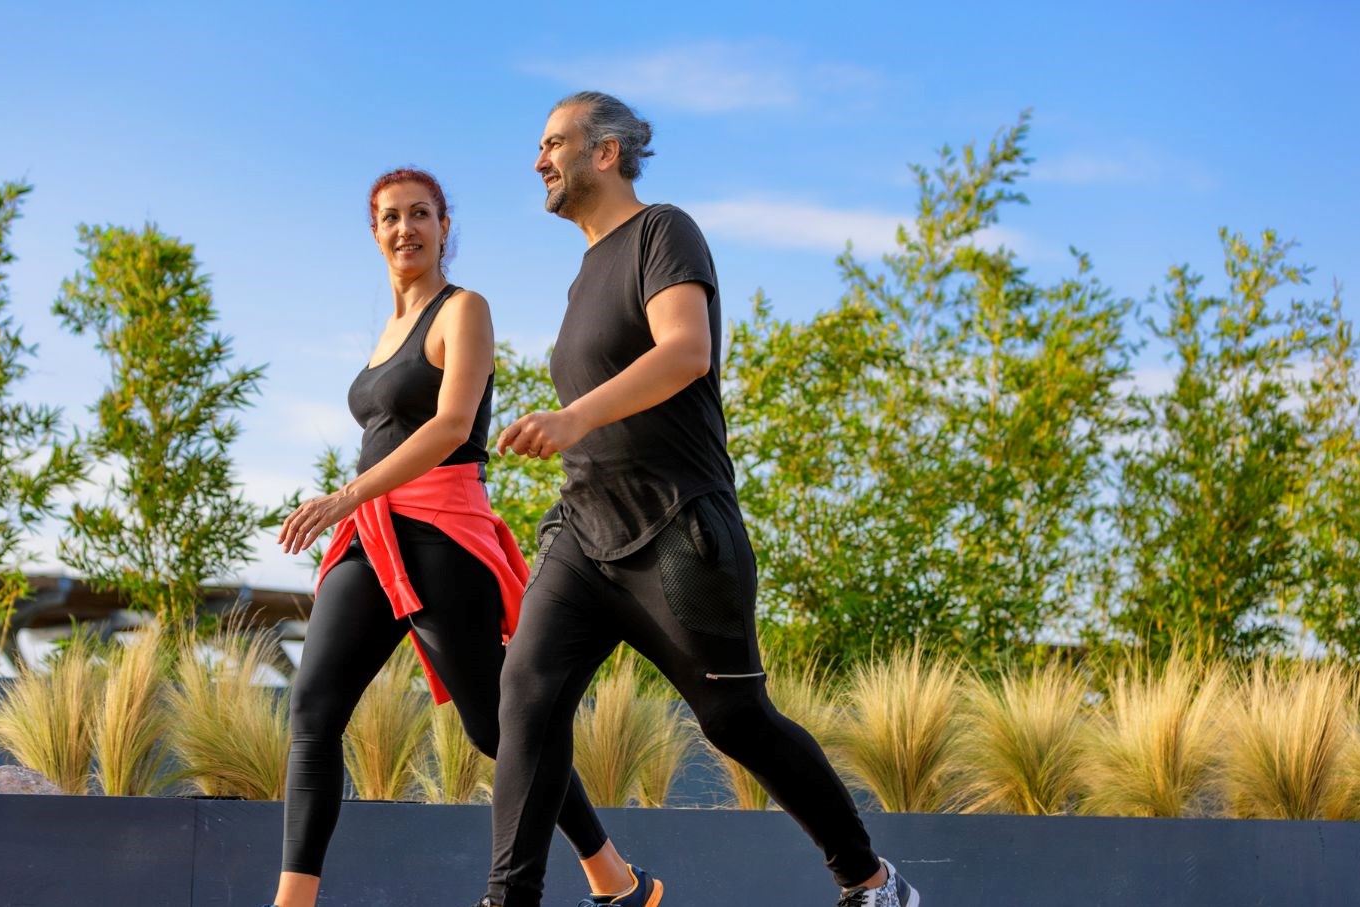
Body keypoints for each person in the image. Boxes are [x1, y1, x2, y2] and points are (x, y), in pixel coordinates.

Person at [472, 93, 920, 907]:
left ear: (605, 152)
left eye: (553, 143)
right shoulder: (584, 274)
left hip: (677, 530)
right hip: (583, 529)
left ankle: (871, 880)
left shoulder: (663, 232)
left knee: (734, 718)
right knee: (526, 697)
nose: (539, 161)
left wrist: (573, 416)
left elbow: (686, 350)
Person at [264, 167, 660, 907]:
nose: (405, 229)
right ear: (374, 232)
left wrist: (345, 494)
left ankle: (613, 874)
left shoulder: (463, 309)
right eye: (390, 217)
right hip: (371, 536)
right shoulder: (387, 333)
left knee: (495, 728)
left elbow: (451, 425)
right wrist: (356, 505)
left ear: (444, 227)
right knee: (312, 712)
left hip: (441, 534)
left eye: (421, 214)